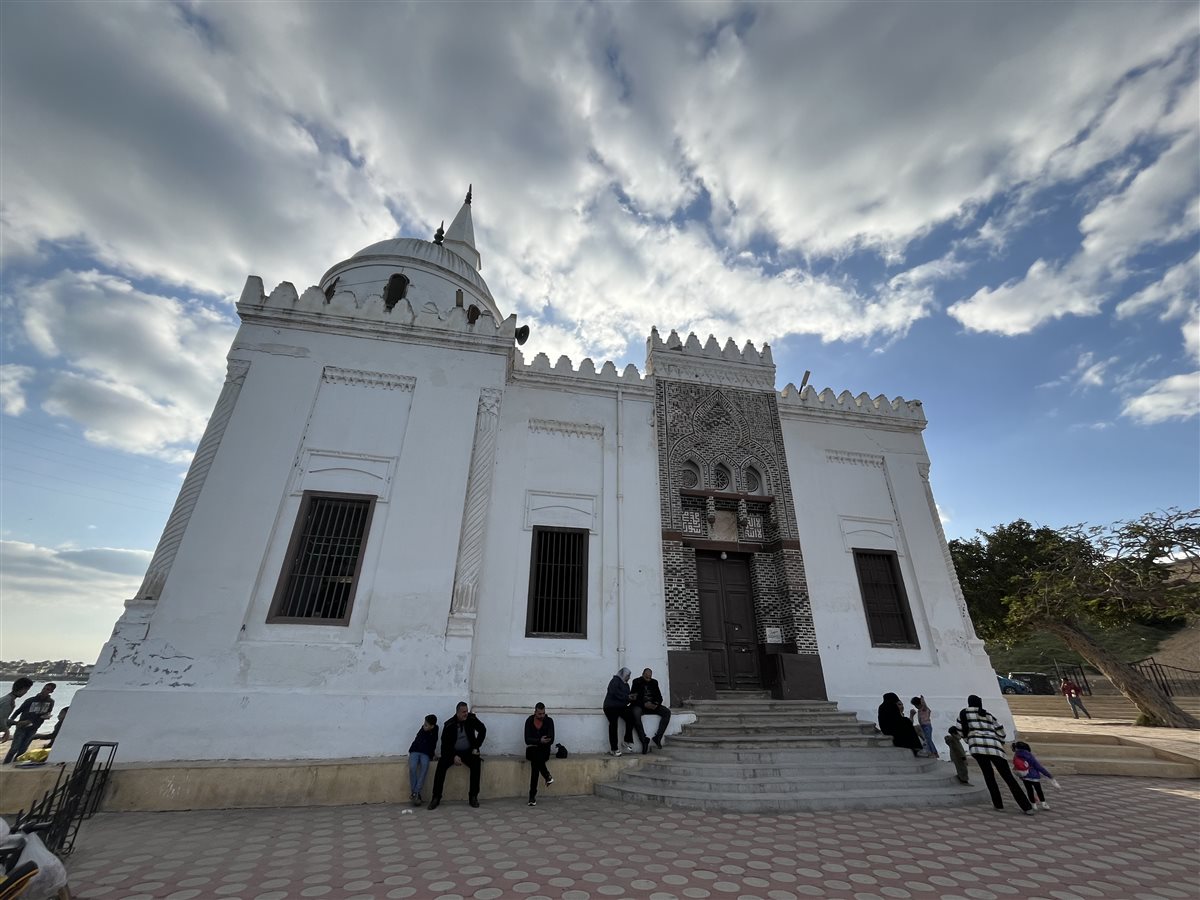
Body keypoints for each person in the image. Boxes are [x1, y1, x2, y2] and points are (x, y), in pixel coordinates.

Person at [958, 693, 1033, 814]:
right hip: (995, 747)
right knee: (1008, 777)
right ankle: (1026, 806)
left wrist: (970, 740)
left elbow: (960, 730)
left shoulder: (964, 713)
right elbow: (1001, 731)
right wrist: (998, 741)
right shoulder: (987, 714)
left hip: (977, 748)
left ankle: (998, 804)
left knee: (989, 776)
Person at [427, 702, 486, 810]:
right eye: (463, 712)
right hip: (452, 752)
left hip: (468, 752)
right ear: (457, 713)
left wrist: (476, 746)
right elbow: (444, 745)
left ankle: (473, 796)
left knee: (476, 764)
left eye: (467, 711)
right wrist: (453, 756)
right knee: (441, 766)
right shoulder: (449, 724)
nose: (466, 714)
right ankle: (436, 797)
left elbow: (483, 730)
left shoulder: (471, 719)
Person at [4, 682, 56, 765]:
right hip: (23, 725)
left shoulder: (50, 702)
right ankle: (6, 763)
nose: (44, 691)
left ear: (51, 692)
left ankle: (15, 764)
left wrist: (46, 716)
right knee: (15, 747)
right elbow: (18, 711)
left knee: (23, 748)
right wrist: (10, 722)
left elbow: (48, 712)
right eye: (44, 688)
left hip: (34, 727)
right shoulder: (31, 700)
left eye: (48, 689)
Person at [602, 667, 644, 756]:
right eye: (628, 675)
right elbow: (614, 693)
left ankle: (627, 740)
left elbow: (626, 698)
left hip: (621, 707)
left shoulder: (626, 685)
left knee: (631, 717)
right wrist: (627, 697)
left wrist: (631, 698)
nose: (629, 677)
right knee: (613, 724)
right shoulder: (615, 681)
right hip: (610, 706)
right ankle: (614, 749)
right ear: (623, 675)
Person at [630, 668, 671, 752]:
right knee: (635, 714)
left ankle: (658, 737)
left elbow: (659, 697)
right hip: (640, 705)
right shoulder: (636, 682)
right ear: (643, 674)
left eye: (649, 677)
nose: (648, 679)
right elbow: (633, 697)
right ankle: (643, 739)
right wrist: (644, 704)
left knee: (667, 712)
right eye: (646, 677)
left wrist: (655, 704)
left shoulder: (654, 682)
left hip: (652, 706)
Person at [524, 702, 555, 806]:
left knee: (535, 764)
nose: (542, 716)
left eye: (543, 713)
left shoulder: (549, 721)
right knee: (535, 758)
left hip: (544, 750)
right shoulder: (529, 721)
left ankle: (532, 797)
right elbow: (527, 740)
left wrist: (543, 742)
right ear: (535, 712)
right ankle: (547, 775)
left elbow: (551, 738)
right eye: (539, 714)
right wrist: (539, 740)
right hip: (532, 750)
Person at [1012, 740, 1055, 810]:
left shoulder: (1016, 756)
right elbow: (1038, 766)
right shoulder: (1029, 755)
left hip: (1025, 776)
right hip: (1034, 776)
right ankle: (1044, 803)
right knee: (1039, 790)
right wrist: (1048, 775)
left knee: (1029, 791)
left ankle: (1033, 805)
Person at [407, 714, 438, 806]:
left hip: (425, 753)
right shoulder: (423, 730)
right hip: (415, 750)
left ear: (432, 726)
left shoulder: (435, 730)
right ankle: (416, 793)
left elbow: (433, 743)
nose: (424, 726)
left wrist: (432, 755)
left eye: (426, 725)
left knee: (424, 766)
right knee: (412, 767)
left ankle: (415, 792)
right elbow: (419, 741)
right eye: (424, 724)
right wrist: (425, 730)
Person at [0, 678, 33, 743]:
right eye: (27, 690)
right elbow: (1, 719)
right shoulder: (8, 702)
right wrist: (7, 732)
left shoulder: (7, 699)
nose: (26, 693)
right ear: (23, 689)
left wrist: (16, 723)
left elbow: (4, 719)